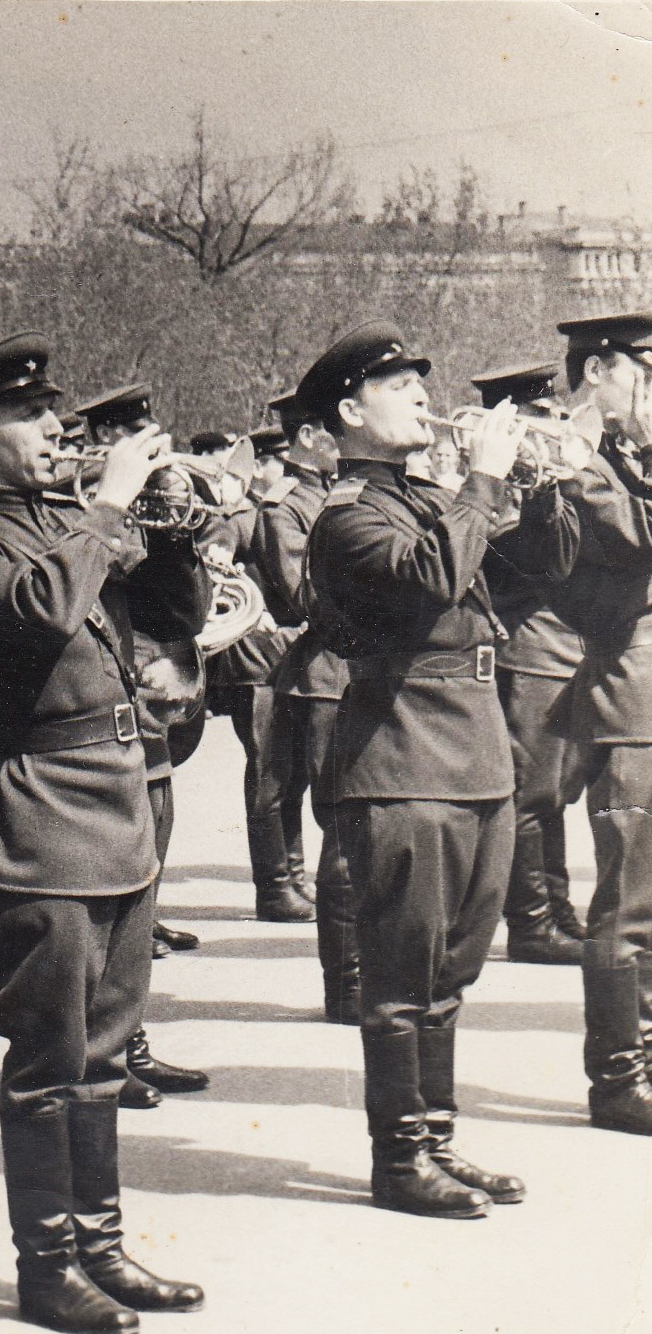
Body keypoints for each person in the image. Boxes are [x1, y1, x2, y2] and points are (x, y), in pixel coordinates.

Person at [0, 333, 204, 1333]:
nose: (56, 430)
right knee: (51, 1052)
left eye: (55, 414)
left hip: (118, 798)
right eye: (30, 417)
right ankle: (48, 1267)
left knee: (108, 1051)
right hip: (41, 806)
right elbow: (43, 610)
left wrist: (171, 534)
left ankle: (102, 1242)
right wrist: (113, 507)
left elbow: (170, 616)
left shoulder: (68, 524)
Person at [302, 320, 571, 1216]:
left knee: (450, 974)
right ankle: (398, 1159)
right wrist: (483, 481)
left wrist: (543, 494)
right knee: (400, 976)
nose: (424, 394)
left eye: (422, 380)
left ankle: (438, 1141)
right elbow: (424, 585)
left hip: (473, 755)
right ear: (349, 410)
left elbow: (524, 586)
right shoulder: (348, 516)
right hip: (402, 759)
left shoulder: (423, 500)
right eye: (399, 384)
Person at [68, 384, 213, 1113]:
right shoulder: (72, 517)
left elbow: (178, 612)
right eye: (122, 433)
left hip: (145, 734)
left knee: (137, 913)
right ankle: (94, 1053)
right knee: (101, 918)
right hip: (93, 739)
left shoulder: (136, 515)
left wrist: (175, 537)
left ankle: (128, 1043)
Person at [547, 310, 652, 1136]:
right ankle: (618, 1080)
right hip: (629, 709)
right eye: (643, 372)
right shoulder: (565, 457)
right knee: (628, 903)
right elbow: (630, 539)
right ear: (596, 372)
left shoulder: (624, 458)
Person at [470, 363, 588, 964]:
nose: (558, 426)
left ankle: (556, 910)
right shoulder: (501, 506)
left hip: (561, 654)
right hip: (530, 654)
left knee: (552, 797)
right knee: (533, 797)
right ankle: (534, 924)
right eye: (542, 419)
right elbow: (542, 560)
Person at [256, 390, 354, 1021]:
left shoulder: (341, 494)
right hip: (321, 675)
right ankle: (347, 980)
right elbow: (297, 598)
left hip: (354, 672)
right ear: (312, 435)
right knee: (341, 821)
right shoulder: (284, 508)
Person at [200, 424, 306, 931]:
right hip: (254, 661)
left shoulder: (270, 508)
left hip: (277, 657)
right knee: (270, 771)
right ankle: (275, 886)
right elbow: (219, 546)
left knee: (290, 771)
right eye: (276, 461)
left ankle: (292, 876)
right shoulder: (244, 515)